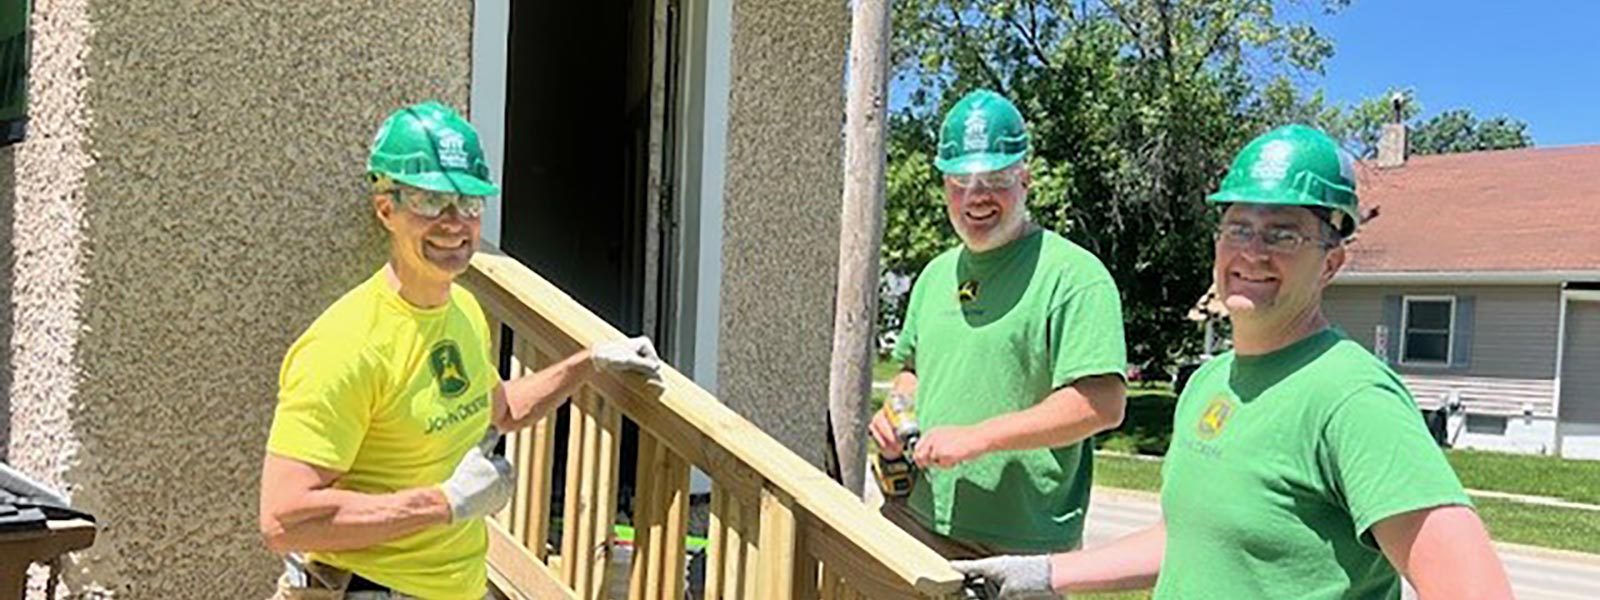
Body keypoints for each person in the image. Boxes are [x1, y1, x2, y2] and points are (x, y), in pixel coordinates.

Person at [953, 125, 1514, 600]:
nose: (1252, 251)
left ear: (1331, 263)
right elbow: (1191, 537)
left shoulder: (1352, 397)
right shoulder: (1210, 381)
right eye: (1239, 227)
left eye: (1284, 234)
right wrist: (1042, 572)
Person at [258, 101, 662, 600]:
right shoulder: (345, 344)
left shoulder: (464, 312)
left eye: (469, 202)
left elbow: (500, 408)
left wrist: (589, 362)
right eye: (431, 200)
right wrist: (444, 502)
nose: (455, 221)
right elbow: (284, 519)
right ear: (386, 208)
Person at [868, 89, 1129, 559]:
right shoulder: (934, 275)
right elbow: (913, 369)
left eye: (995, 178)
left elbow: (1102, 404)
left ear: (1025, 178)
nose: (976, 197)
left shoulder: (1074, 276)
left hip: (1022, 545)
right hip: (916, 518)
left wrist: (980, 438)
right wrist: (898, 409)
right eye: (960, 181)